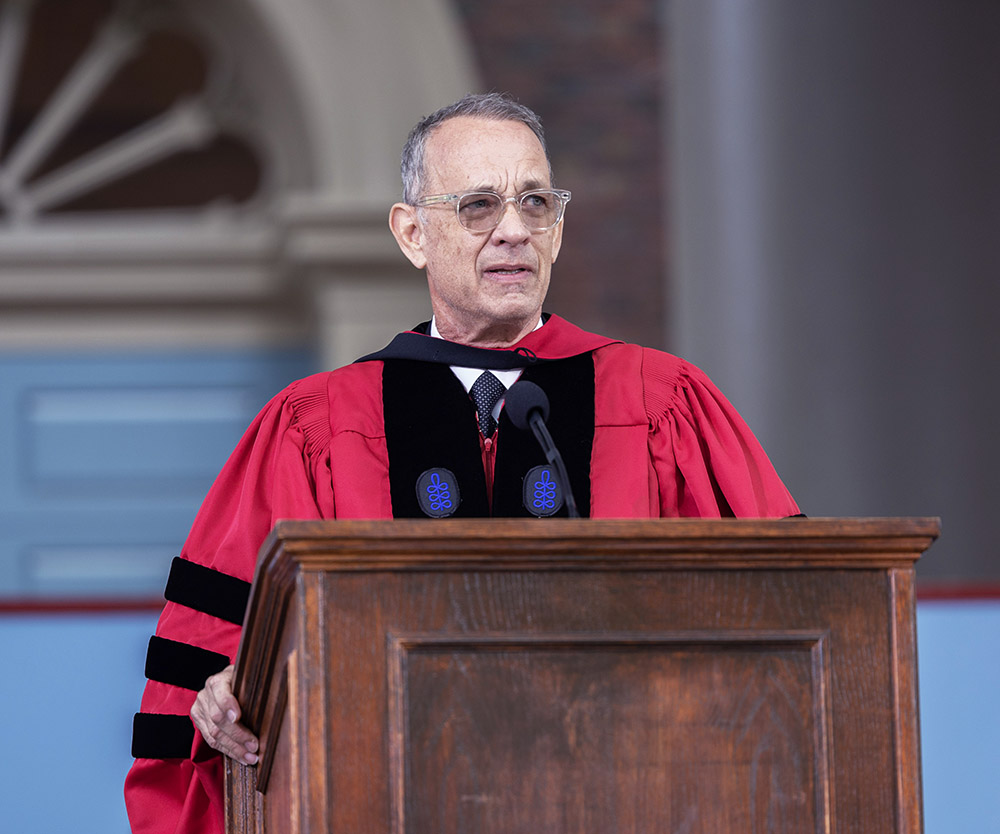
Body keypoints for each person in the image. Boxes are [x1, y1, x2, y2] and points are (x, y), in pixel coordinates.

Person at [124, 93, 799, 834]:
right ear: (413, 233)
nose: (513, 230)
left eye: (535, 203)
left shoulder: (664, 401)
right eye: (478, 205)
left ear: (559, 228)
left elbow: (786, 621)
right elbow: (209, 663)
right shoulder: (312, 425)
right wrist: (219, 696)